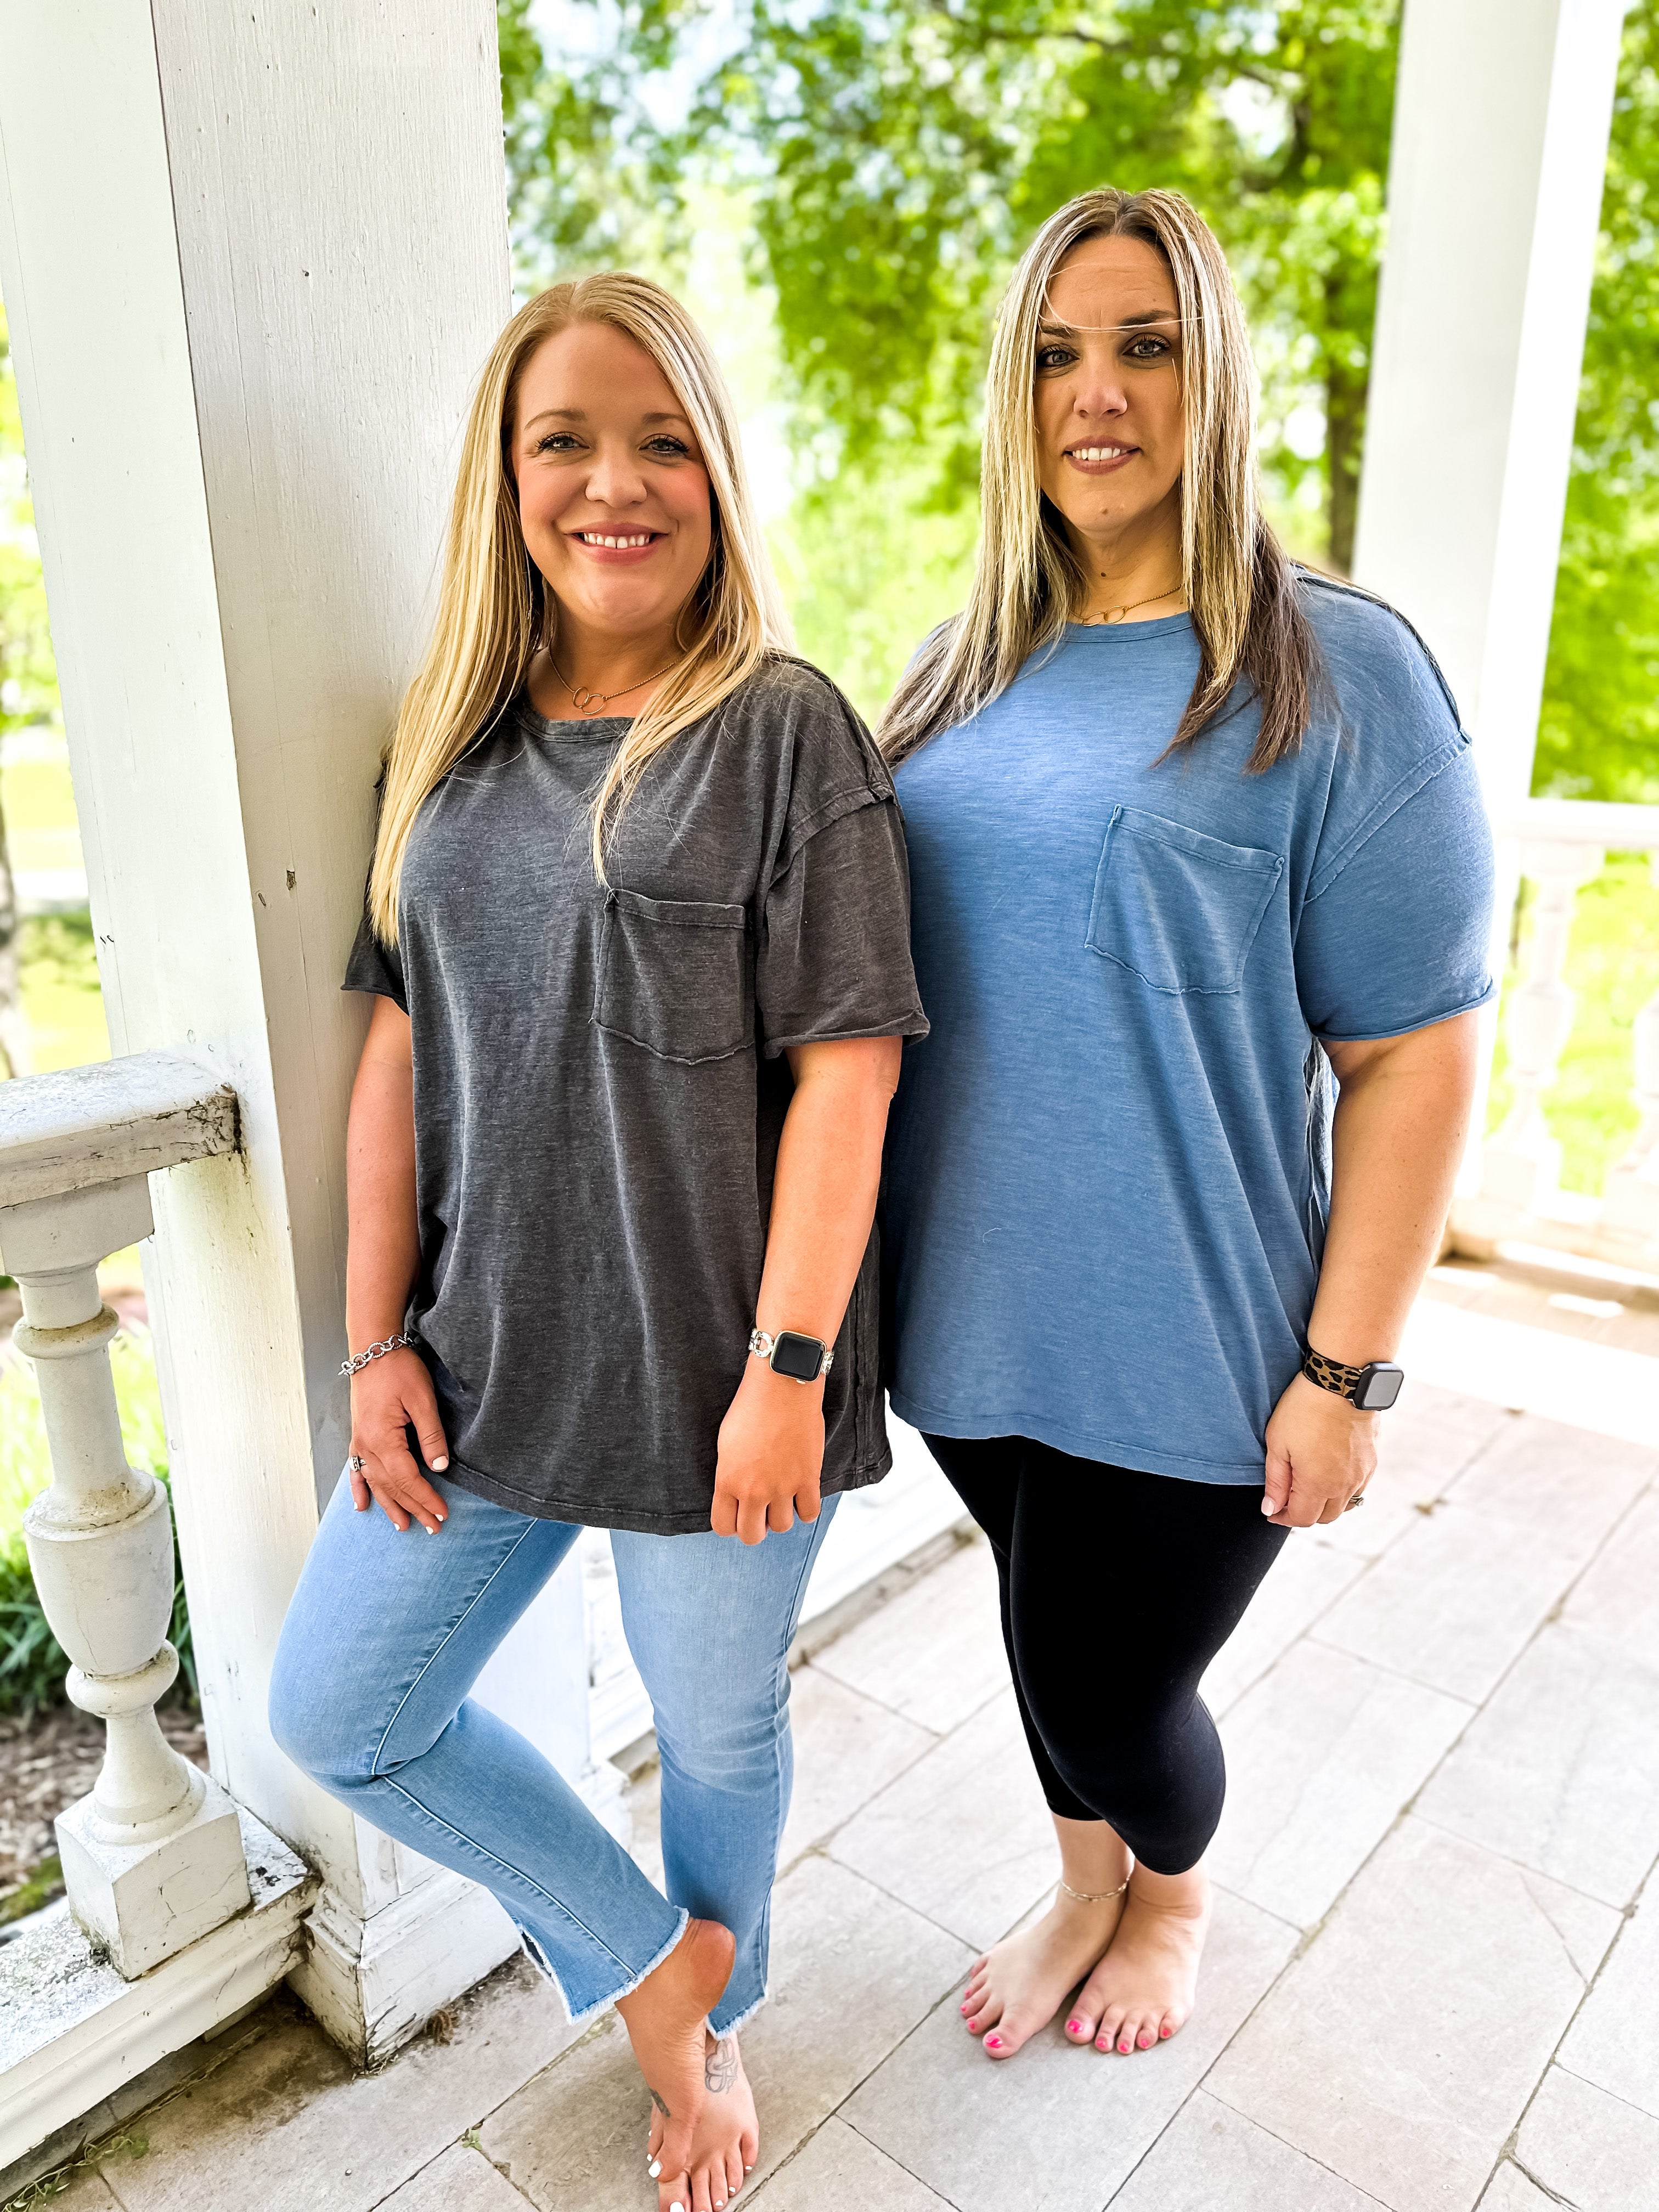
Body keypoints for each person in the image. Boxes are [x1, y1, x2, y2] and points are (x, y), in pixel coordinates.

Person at [268, 272, 927, 2212]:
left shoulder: (783, 729)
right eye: (565, 441)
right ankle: (659, 1972)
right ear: (508, 476)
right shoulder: (445, 738)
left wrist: (788, 1371)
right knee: (340, 1711)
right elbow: (397, 1052)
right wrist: (373, 1341)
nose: (613, 484)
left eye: (662, 443)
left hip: (726, 1373)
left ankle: (713, 2039)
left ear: (716, 476)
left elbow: (852, 1075)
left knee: (716, 1727)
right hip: (481, 1361)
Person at [878, 187, 1494, 2066]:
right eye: (1058, 353)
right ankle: (1088, 1883)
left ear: (1213, 376)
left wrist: (1348, 1374)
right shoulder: (965, 665)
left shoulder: (1336, 670)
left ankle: (1173, 1896)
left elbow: (1417, 1055)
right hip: (963, 1313)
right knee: (1039, 1629)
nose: (1100, 393)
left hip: (1197, 1337)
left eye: (1146, 346)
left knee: (1106, 1681)